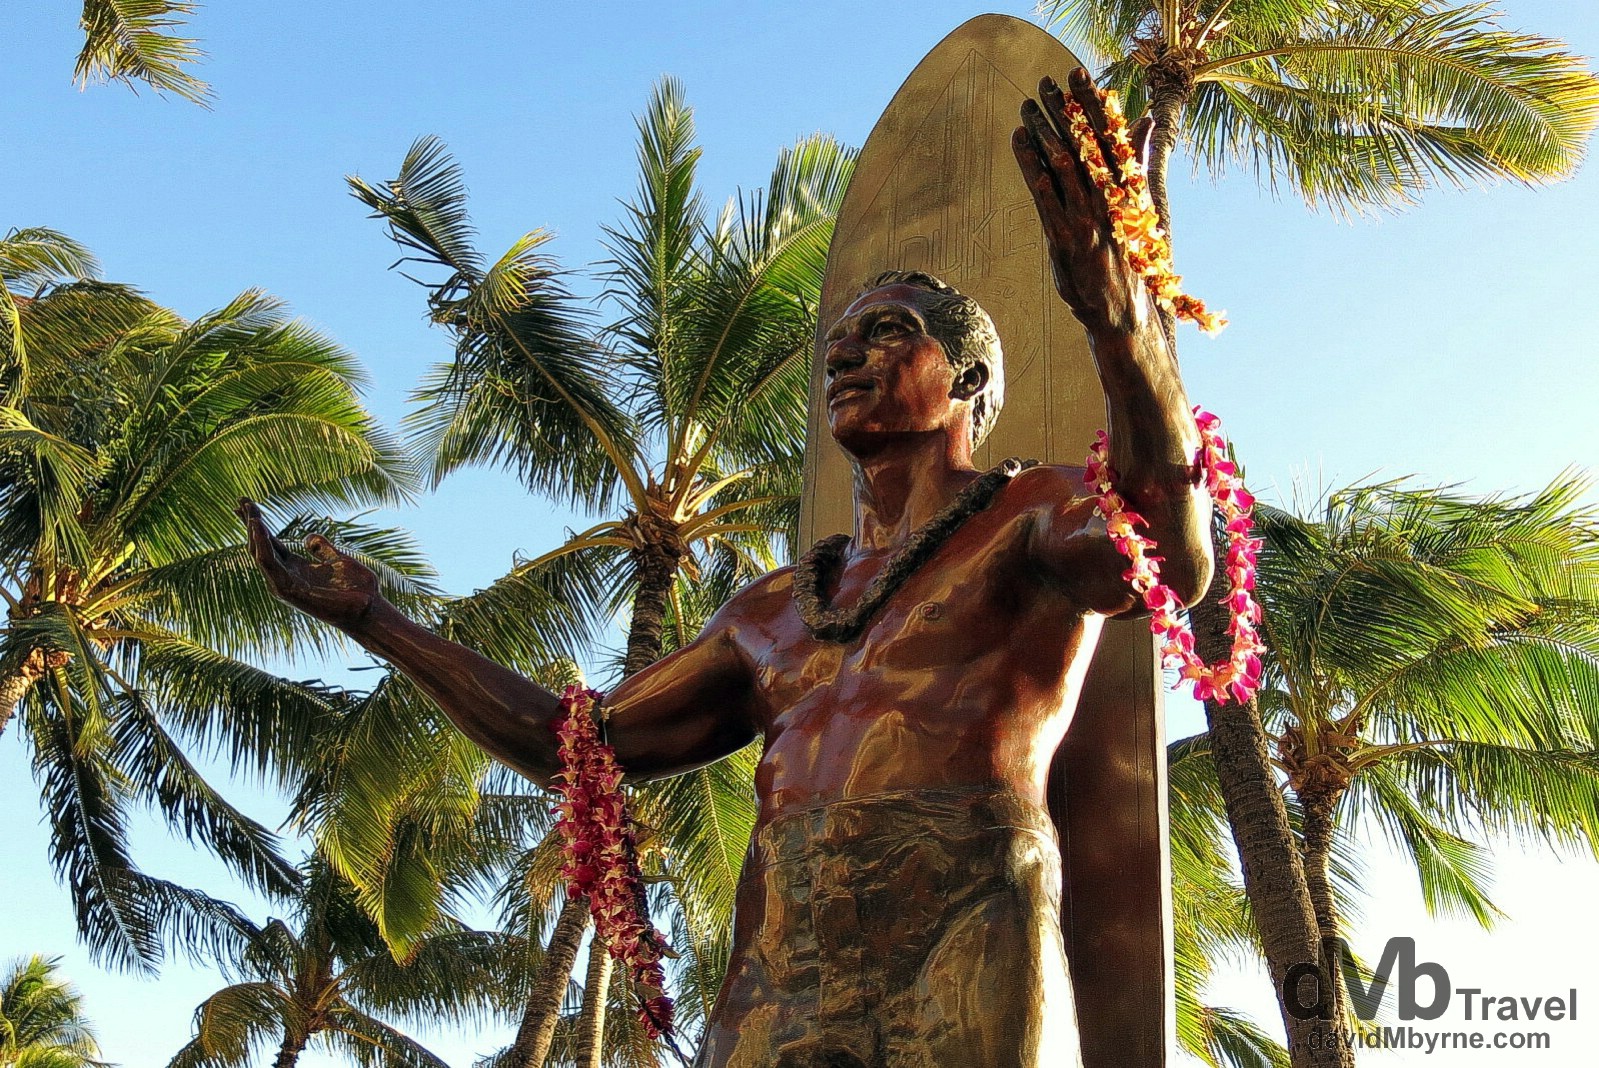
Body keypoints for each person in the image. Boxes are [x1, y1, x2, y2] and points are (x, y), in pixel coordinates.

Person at [239, 70, 1212, 1068]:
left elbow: (1168, 560)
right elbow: (577, 743)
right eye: (838, 340)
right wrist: (372, 617)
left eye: (886, 332)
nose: (846, 356)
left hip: (963, 923)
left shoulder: (1028, 515)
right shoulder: (774, 612)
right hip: (781, 964)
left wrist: (1121, 321)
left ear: (965, 379)